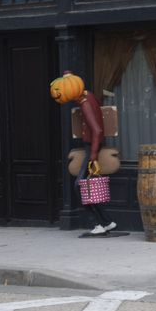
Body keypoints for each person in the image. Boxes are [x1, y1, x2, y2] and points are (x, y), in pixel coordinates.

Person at [50, 72, 117, 237]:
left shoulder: (85, 104)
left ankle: (96, 223)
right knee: (87, 186)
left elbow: (97, 130)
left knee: (80, 186)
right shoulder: (87, 96)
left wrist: (93, 154)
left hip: (92, 147)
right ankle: (107, 222)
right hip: (92, 146)